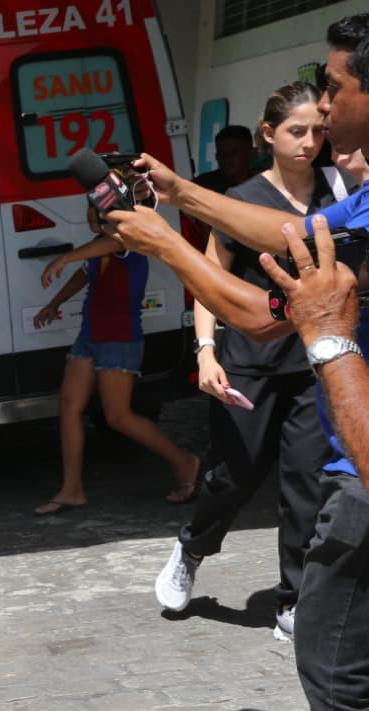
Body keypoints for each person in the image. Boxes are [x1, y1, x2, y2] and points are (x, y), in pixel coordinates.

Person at [102, 15, 369, 711]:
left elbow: (267, 310)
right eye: (307, 108)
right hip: (320, 420)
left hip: (355, 457)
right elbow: (288, 255)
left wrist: (161, 242)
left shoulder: (345, 195)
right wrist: (179, 200)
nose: (323, 111)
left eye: (333, 88)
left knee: (334, 666)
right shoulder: (332, 200)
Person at [156, 83, 336, 637]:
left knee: (306, 483)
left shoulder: (341, 189)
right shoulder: (242, 198)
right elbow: (207, 279)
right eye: (296, 131)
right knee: (232, 478)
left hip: (314, 362)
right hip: (249, 362)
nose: (309, 142)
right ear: (269, 134)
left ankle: (293, 601)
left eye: (317, 131)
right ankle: (192, 549)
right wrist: (205, 350)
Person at [33, 205, 200, 514]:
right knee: (69, 407)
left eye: (91, 209)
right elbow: (83, 276)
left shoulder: (126, 240)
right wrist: (53, 304)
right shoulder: (99, 247)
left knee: (118, 417)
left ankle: (185, 461)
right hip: (90, 334)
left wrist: (65, 256)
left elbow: (115, 243)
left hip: (119, 339)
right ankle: (72, 489)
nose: (87, 214)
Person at [185, 126, 259, 251]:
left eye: (233, 153)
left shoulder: (265, 186)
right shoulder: (203, 186)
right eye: (221, 154)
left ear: (251, 153)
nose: (226, 160)